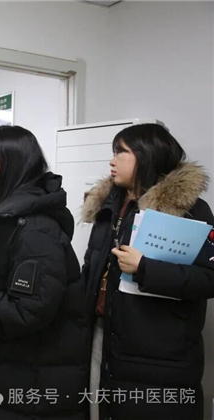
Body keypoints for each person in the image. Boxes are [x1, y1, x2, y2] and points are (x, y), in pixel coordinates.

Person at [0, 126, 89, 419]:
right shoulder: (1, 214)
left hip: (21, 378)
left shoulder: (35, 228)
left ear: (11, 160)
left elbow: (29, 308)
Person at [81, 123, 214, 420]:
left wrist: (145, 268)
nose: (112, 161)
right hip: (102, 336)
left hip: (158, 353)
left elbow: (209, 277)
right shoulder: (109, 206)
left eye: (121, 152)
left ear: (147, 155)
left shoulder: (190, 210)